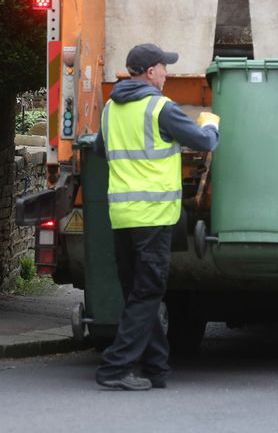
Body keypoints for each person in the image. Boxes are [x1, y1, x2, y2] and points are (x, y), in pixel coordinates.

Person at [94, 43, 220, 391]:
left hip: (122, 216)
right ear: (151, 72)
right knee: (148, 293)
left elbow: (101, 149)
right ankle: (115, 367)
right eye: (164, 67)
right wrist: (211, 124)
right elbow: (203, 142)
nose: (167, 73)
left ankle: (156, 367)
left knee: (138, 295)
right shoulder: (160, 108)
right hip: (153, 217)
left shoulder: (110, 109)